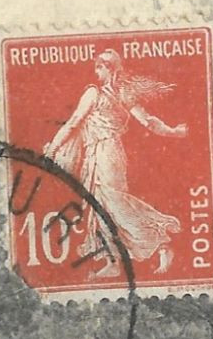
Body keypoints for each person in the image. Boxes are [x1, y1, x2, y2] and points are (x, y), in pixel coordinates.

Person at [42, 48, 188, 277]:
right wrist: (174, 132)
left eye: (99, 68)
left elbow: (72, 124)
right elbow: (149, 122)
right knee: (101, 205)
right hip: (106, 153)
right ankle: (112, 261)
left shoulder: (94, 93)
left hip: (104, 153)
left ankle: (160, 243)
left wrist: (51, 149)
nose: (96, 74)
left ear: (107, 68)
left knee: (114, 202)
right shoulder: (124, 95)